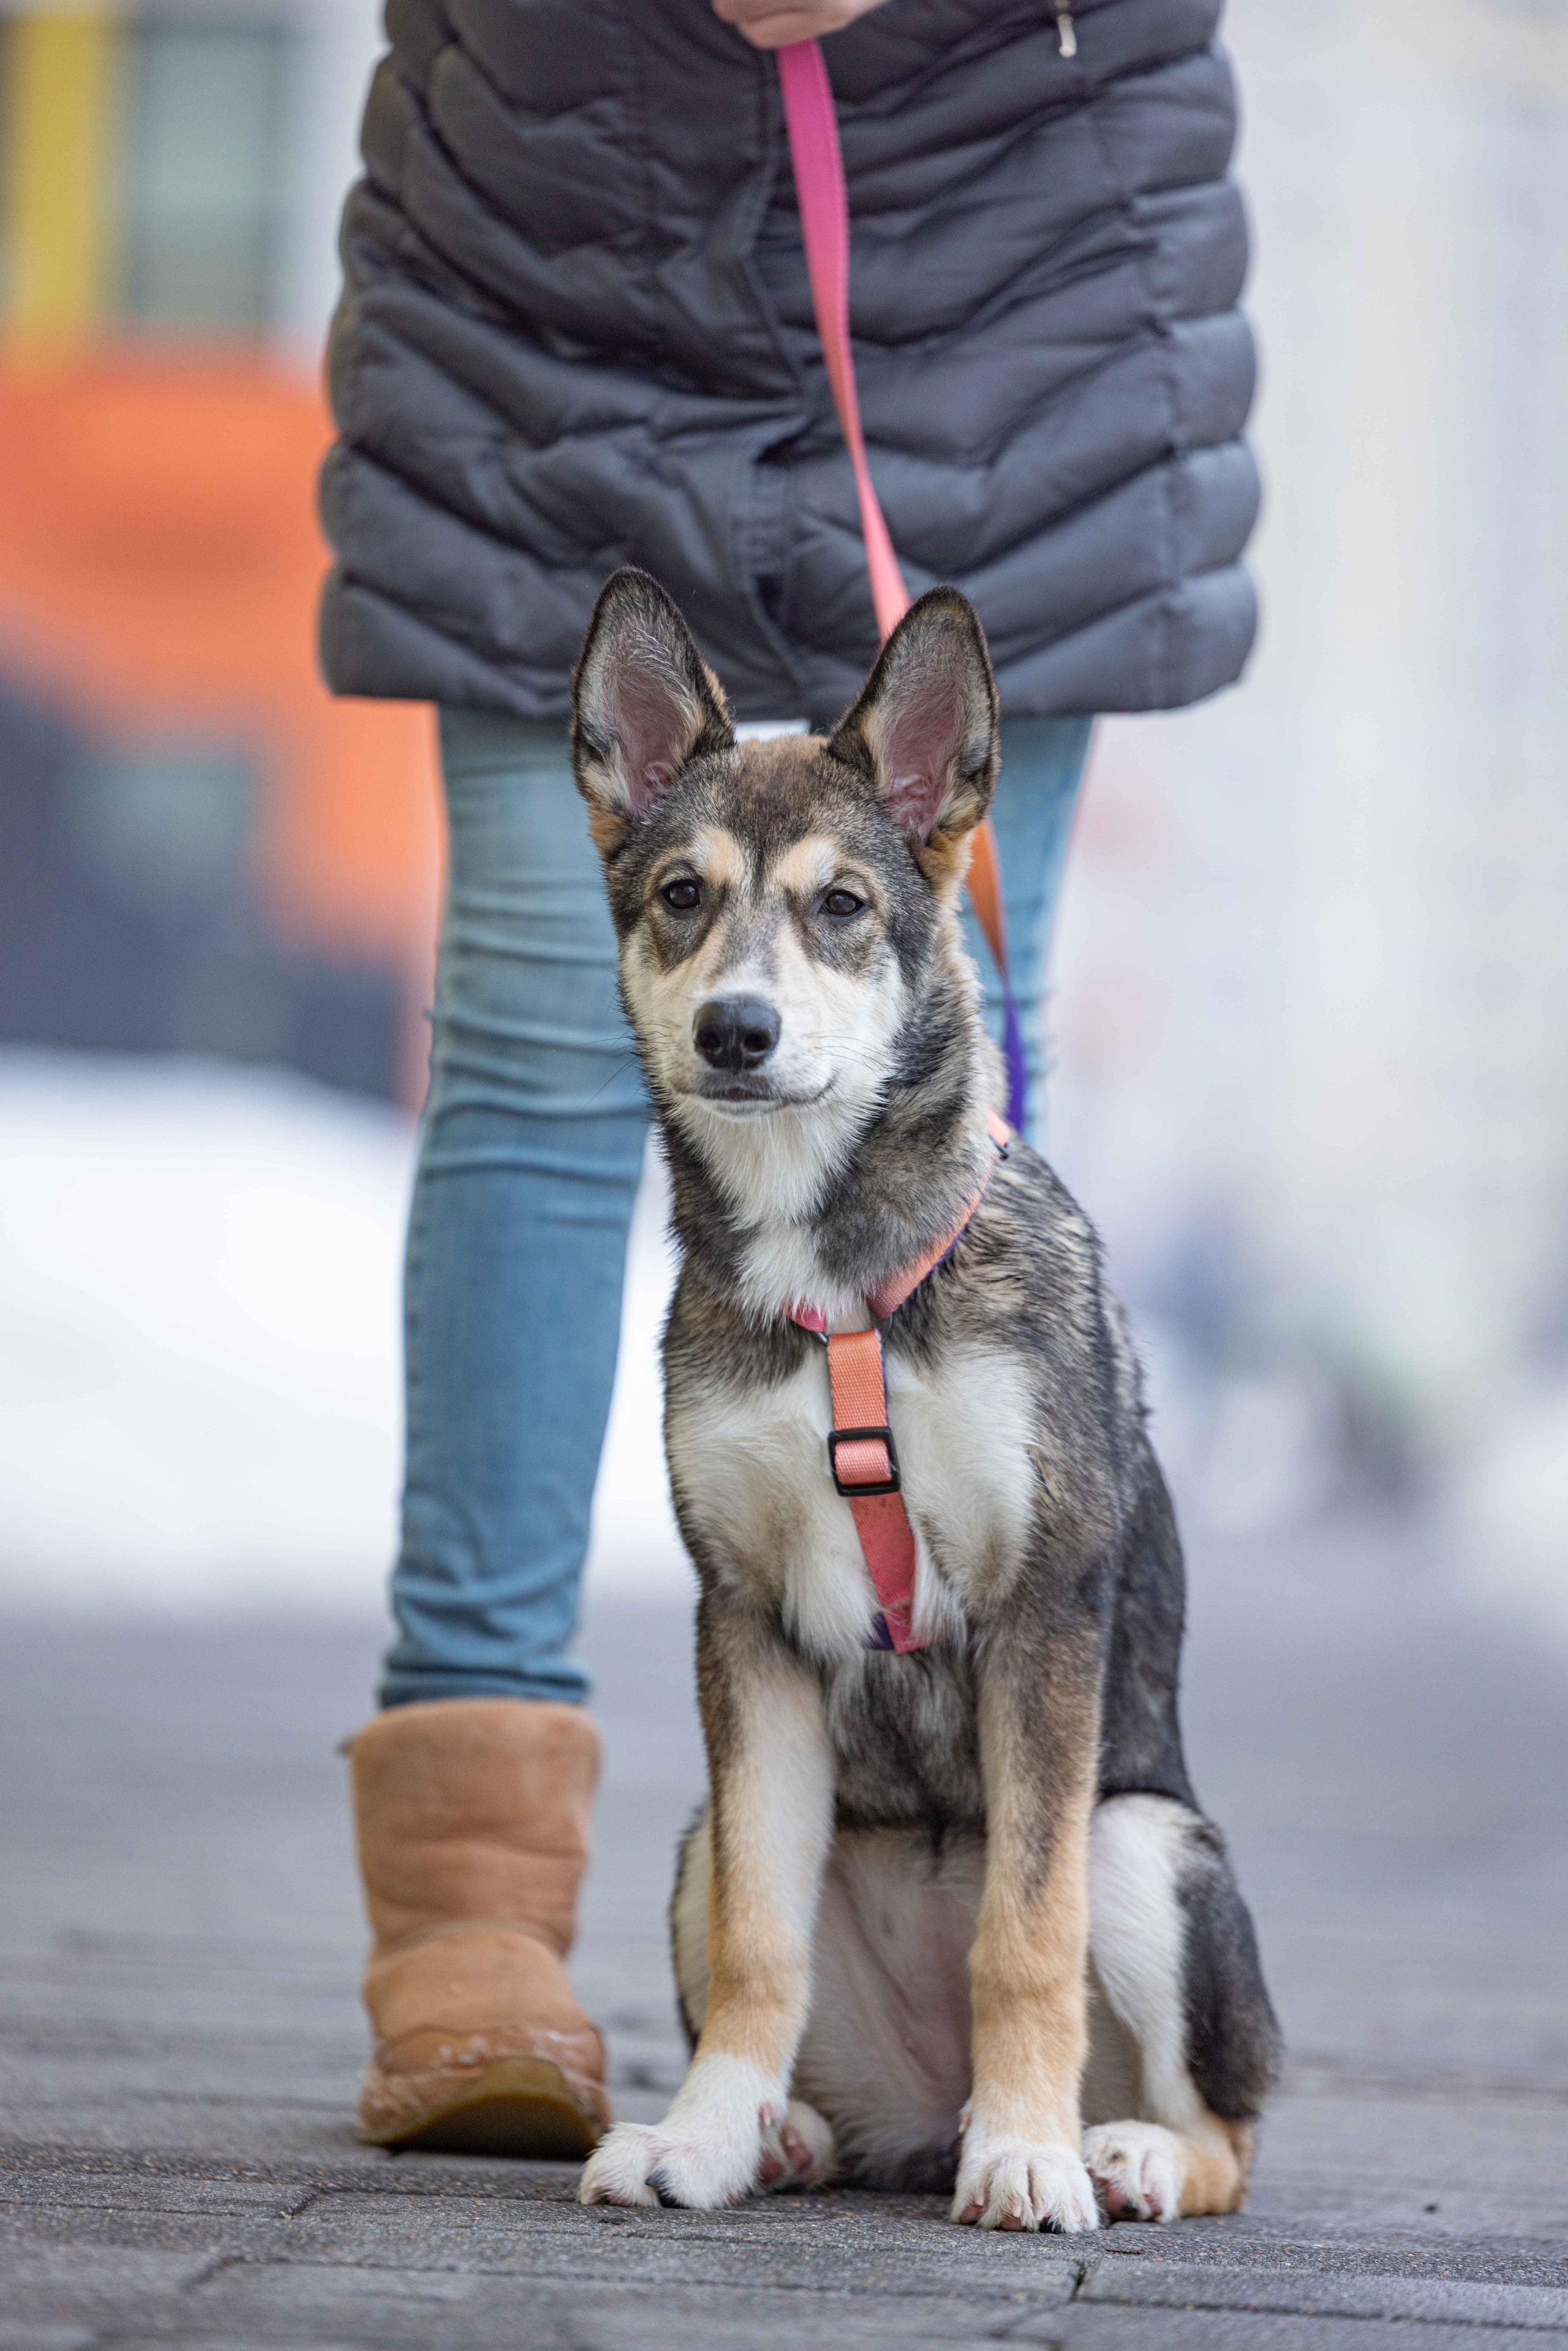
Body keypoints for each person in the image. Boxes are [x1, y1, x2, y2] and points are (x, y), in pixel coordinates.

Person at [321, 0, 1256, 2156]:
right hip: (546, 222)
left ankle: (1026, 2010)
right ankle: (473, 1884)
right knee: (548, 1063)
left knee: (950, 1080)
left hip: (1020, 221)